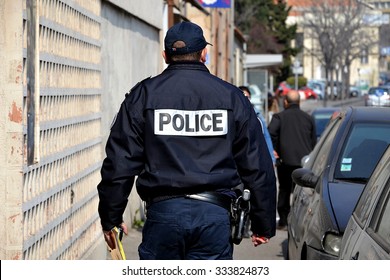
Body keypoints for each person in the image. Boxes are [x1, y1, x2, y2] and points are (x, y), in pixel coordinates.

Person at [97, 21, 276, 260]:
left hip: (163, 217)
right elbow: (257, 164)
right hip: (214, 218)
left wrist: (111, 217)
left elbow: (120, 162)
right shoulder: (232, 98)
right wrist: (263, 223)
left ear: (165, 55)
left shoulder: (144, 96)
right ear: (204, 53)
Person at [268, 90, 316, 230]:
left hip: (285, 161)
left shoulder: (279, 117)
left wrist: (274, 151)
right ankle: (298, 221)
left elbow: (270, 135)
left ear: (285, 102)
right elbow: (313, 142)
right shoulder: (308, 118)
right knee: (301, 192)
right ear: (299, 102)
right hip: (303, 164)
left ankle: (283, 220)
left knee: (284, 190)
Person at [239, 86, 275, 165]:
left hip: (255, 157)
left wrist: (272, 158)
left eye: (247, 97)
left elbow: (266, 136)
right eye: (242, 96)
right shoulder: (233, 115)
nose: (245, 99)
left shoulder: (257, 115)